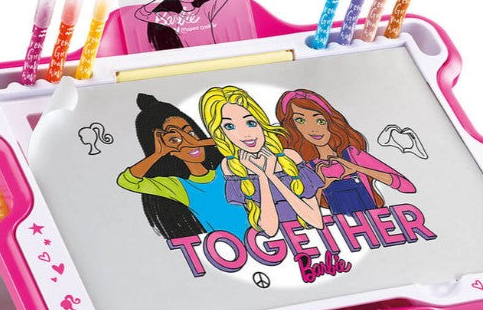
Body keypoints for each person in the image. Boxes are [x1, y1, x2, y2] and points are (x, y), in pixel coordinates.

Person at [116, 93, 250, 239]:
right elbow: (127, 181)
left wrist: (200, 142)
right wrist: (157, 154)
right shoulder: (180, 187)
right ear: (167, 150)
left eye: (190, 132)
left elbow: (241, 144)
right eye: (174, 140)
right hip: (230, 248)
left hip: (263, 238)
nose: (188, 142)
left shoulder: (226, 167)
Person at [200, 86, 324, 237]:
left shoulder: (290, 157)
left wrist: (272, 176)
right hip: (274, 244)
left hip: (311, 237)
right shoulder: (231, 166)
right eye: (230, 126)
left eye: (250, 123)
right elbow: (270, 229)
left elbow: (316, 221)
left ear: (261, 123)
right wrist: (262, 177)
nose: (246, 134)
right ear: (221, 134)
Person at [275, 88, 415, 215]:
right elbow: (308, 215)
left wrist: (357, 168)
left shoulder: (352, 154)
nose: (313, 129)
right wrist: (320, 185)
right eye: (300, 120)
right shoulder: (305, 167)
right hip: (343, 228)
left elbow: (407, 187)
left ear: (330, 121)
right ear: (292, 127)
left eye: (320, 120)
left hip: (376, 221)